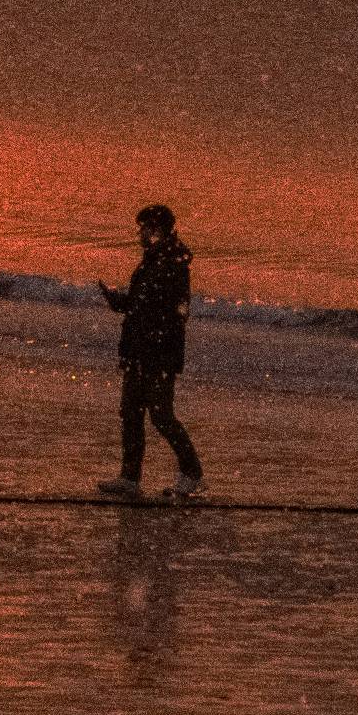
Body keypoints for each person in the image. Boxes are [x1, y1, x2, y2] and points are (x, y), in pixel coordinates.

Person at [96, 203, 204, 499]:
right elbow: (140, 303)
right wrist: (119, 302)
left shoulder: (173, 264)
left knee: (161, 416)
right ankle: (129, 477)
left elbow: (177, 312)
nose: (140, 234)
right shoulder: (153, 260)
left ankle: (192, 473)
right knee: (131, 412)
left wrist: (155, 340)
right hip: (139, 350)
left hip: (158, 354)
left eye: (144, 228)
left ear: (156, 230)